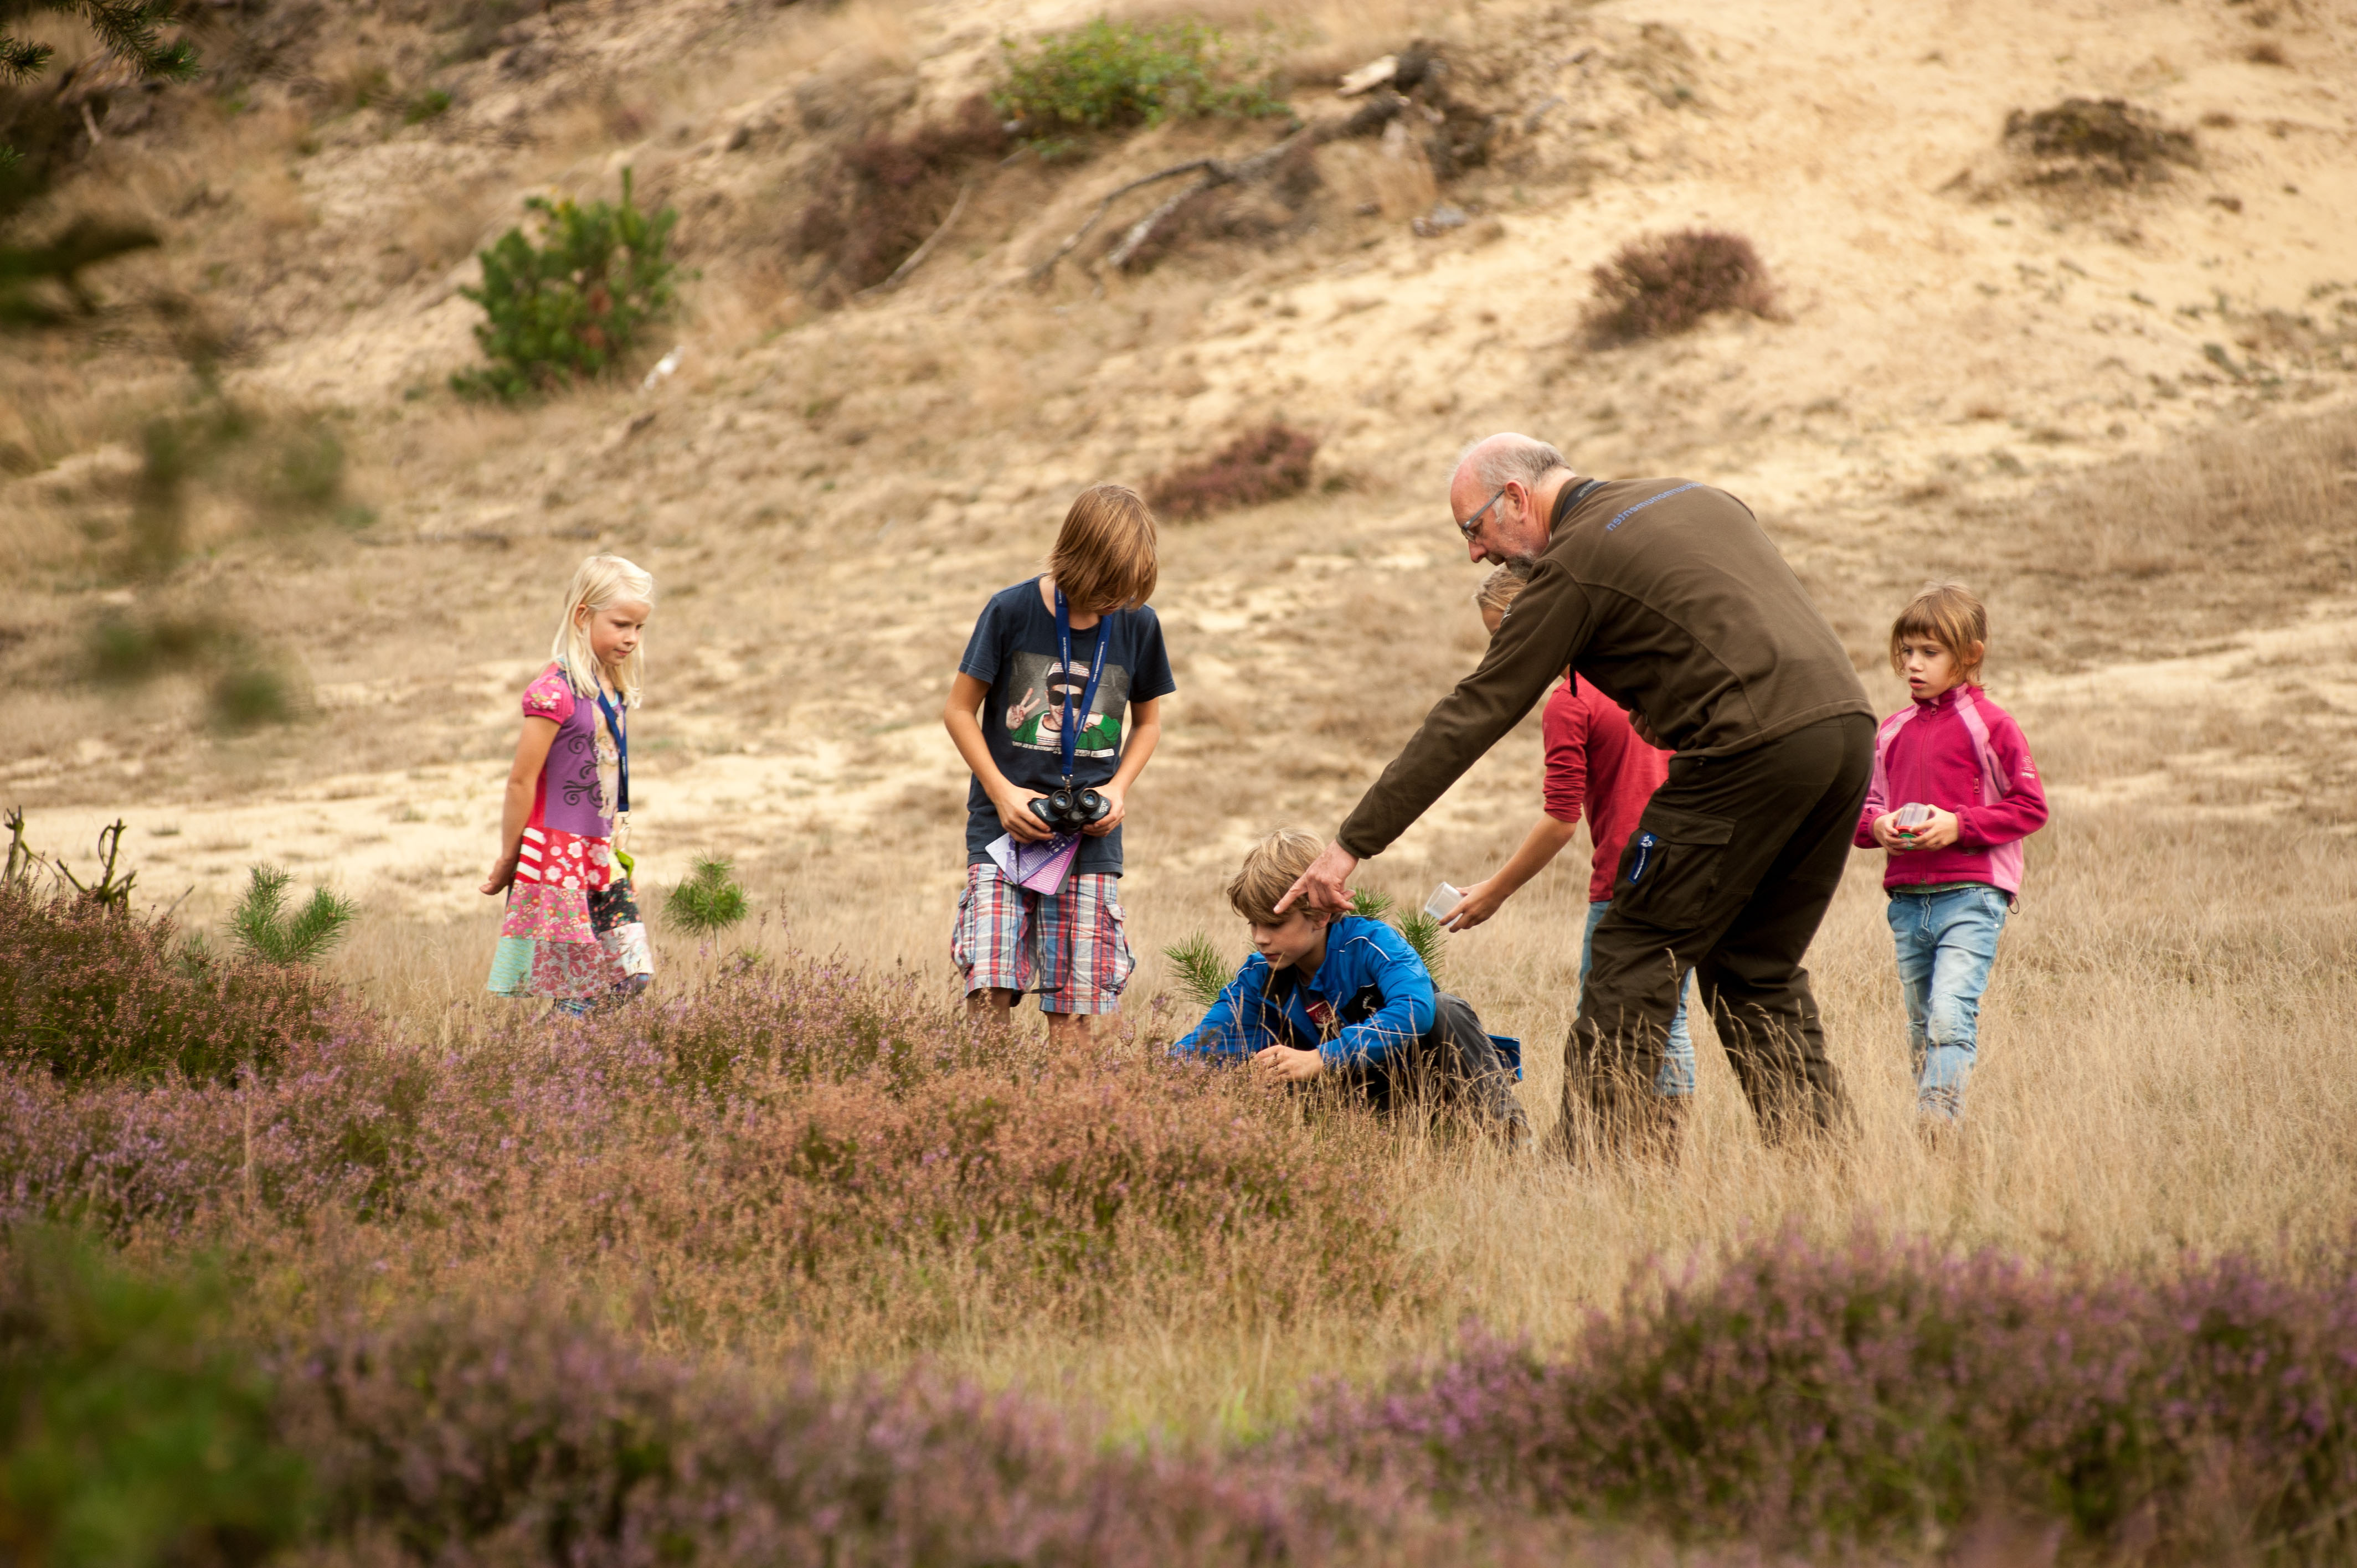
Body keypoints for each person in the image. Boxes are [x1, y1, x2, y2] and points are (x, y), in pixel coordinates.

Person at [1278, 433, 1875, 1162]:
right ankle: (1830, 1168)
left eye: (1475, 529)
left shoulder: (1573, 564)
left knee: (1632, 948)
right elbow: (1717, 629)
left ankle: (1589, 1169)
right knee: (1755, 968)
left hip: (1746, 750)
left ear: (1518, 499)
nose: (1477, 553)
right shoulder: (1695, 497)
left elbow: (1476, 710)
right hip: (1844, 736)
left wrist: (1350, 845)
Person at [1444, 561, 1697, 1100]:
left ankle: (1600, 1152)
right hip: (1692, 870)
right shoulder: (1646, 671)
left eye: (1504, 634)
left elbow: (1560, 821)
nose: (1502, 651)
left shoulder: (1569, 702)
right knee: (1668, 1017)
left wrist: (1495, 891)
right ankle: (1668, 1155)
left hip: (1626, 882)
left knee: (1597, 1020)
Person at [943, 484, 1174, 1046]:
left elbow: (1146, 724)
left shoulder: (1138, 624)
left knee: (1074, 1008)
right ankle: (981, 1115)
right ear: (1075, 556)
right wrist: (1001, 794)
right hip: (1003, 835)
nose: (1110, 606)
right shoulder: (1010, 611)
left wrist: (1117, 790)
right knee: (988, 987)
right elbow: (957, 712)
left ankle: (1064, 1124)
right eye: (1103, 591)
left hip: (1088, 845)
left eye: (1123, 595)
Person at [1171, 829, 1530, 1140]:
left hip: (1431, 1088)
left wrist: (1321, 1058)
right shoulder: (1257, 981)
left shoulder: (1371, 943)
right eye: (1253, 924)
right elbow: (1198, 1050)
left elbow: (1416, 1012)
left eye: (1274, 925)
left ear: (1321, 914)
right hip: (1354, 1111)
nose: (1260, 939)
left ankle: (1508, 1136)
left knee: (1445, 1010)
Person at [1855, 584, 2047, 1126]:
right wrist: (1879, 826)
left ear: (1970, 656)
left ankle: (1938, 1117)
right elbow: (1864, 810)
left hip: (1971, 897)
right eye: (1907, 652)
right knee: (1920, 1024)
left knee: (1947, 1014)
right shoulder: (1889, 731)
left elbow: (2030, 807)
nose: (1913, 665)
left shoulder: (1992, 726)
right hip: (1906, 904)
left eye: (1929, 653)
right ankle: (1933, 1127)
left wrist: (1957, 826)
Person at [482, 555, 657, 1017]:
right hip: (558, 854)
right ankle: (558, 1066)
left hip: (599, 854)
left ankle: (565, 1056)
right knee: (579, 986)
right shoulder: (554, 691)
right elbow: (521, 780)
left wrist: (613, 851)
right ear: (583, 615)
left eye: (639, 628)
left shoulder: (613, 688)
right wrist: (510, 857)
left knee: (632, 972)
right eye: (621, 624)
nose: (631, 639)